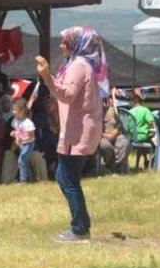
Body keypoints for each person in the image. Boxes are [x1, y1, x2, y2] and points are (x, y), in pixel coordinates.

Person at [35, 27, 107, 244]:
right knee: (66, 178)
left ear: (76, 45)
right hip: (81, 130)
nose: (61, 45)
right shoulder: (84, 65)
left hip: (78, 132)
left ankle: (80, 229)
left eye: (65, 41)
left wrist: (47, 76)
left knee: (67, 179)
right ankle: (81, 225)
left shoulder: (78, 66)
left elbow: (66, 95)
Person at [97, 91, 130, 174]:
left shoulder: (114, 110)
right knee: (104, 145)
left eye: (108, 98)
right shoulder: (96, 112)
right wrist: (105, 135)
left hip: (116, 134)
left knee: (124, 142)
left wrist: (115, 132)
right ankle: (112, 164)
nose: (106, 101)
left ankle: (119, 166)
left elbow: (119, 124)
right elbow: (94, 129)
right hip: (102, 137)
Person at [10, 97, 37, 183]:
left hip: (28, 145)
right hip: (21, 145)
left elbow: (31, 137)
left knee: (21, 161)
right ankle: (30, 180)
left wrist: (21, 138)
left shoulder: (28, 123)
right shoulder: (15, 121)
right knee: (24, 162)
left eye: (15, 110)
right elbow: (17, 130)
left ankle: (23, 180)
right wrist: (14, 134)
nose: (13, 112)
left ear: (22, 111)